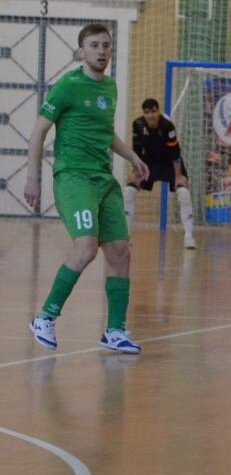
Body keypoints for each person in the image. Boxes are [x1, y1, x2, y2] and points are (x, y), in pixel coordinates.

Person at [25, 23, 149, 354]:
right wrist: (33, 177)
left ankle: (115, 331)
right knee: (85, 249)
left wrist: (133, 156)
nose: (101, 51)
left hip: (102, 178)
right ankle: (45, 317)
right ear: (81, 51)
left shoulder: (109, 87)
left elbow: (105, 133)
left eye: (106, 45)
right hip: (73, 177)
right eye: (94, 45)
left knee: (121, 251)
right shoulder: (67, 86)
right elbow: (38, 132)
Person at [123, 98, 197, 249]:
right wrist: (136, 173)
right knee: (128, 191)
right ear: (144, 114)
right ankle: (126, 235)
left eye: (153, 112)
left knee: (183, 193)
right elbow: (136, 152)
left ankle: (189, 237)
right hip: (149, 163)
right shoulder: (138, 124)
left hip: (170, 163)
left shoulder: (167, 126)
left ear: (158, 111)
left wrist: (178, 177)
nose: (150, 116)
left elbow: (175, 154)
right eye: (147, 112)